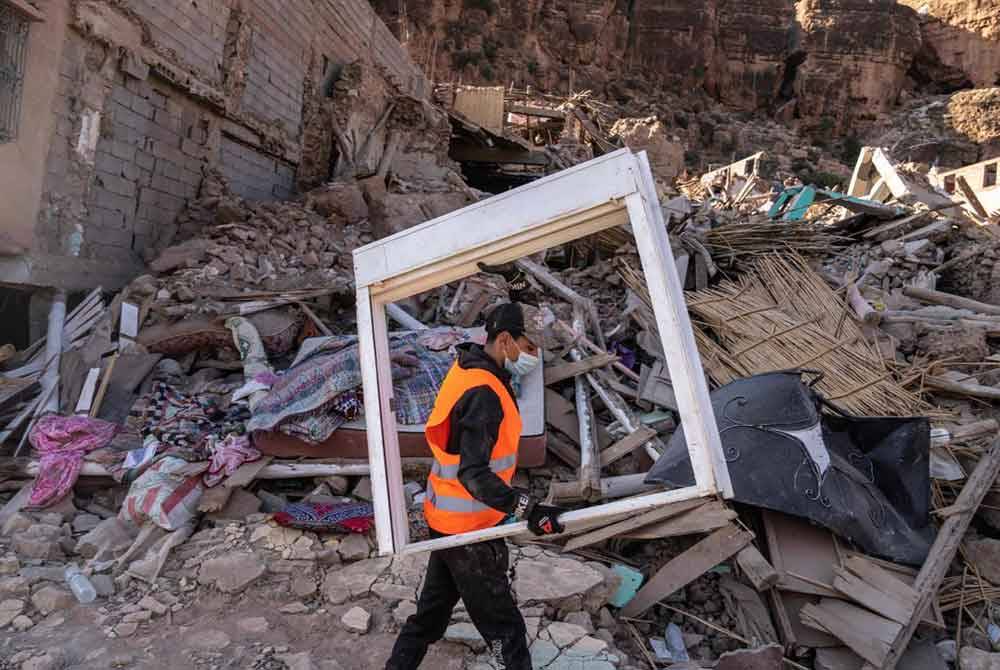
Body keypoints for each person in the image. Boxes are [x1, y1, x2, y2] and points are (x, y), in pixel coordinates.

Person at [386, 302, 567, 670]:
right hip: (469, 531)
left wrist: (516, 285)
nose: (533, 357)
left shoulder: (468, 368)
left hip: (447, 519)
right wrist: (528, 510)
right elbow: (474, 474)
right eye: (529, 347)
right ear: (505, 340)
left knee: (431, 616)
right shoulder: (484, 393)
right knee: (504, 631)